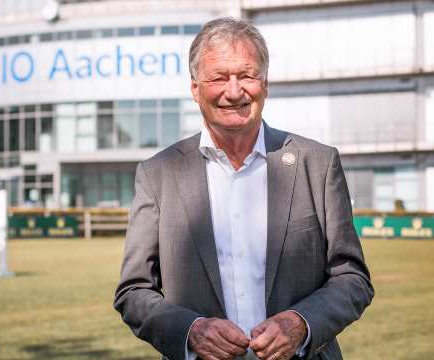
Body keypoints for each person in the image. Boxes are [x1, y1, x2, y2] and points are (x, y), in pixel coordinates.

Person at [114, 17, 373, 360]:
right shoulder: (158, 174)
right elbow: (134, 291)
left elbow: (353, 277)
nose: (234, 91)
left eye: (247, 76)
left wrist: (301, 324)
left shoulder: (318, 164)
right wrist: (190, 331)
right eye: (219, 77)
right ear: (195, 88)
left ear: (265, 84)